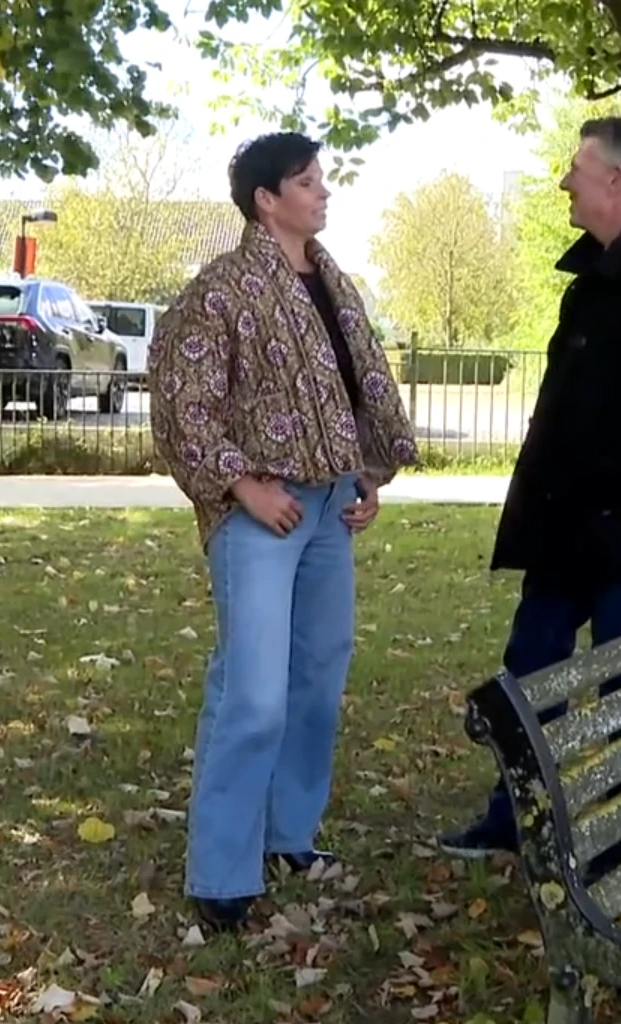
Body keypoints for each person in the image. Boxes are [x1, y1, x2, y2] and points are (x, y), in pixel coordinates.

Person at [147, 131, 421, 931]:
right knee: (254, 693)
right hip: (263, 513)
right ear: (267, 200)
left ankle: (288, 834)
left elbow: (353, 388)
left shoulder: (332, 283)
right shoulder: (222, 290)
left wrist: (364, 470)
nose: (323, 192)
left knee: (316, 684)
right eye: (307, 182)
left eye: (320, 179)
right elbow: (181, 406)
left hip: (331, 506)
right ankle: (222, 874)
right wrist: (242, 485)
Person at [438, 116, 621, 861]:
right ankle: (514, 820)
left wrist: (610, 490)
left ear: (615, 182)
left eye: (575, 169)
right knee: (532, 675)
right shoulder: (596, 273)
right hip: (564, 528)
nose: (563, 182)